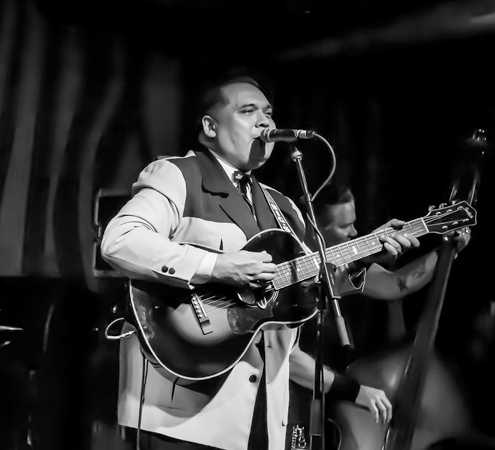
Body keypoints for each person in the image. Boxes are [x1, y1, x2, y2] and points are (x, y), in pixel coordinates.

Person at [100, 75, 417, 450]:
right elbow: (120, 240)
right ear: (210, 127)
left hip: (264, 413)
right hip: (185, 409)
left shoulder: (283, 207)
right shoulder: (180, 175)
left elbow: (308, 284)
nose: (264, 122)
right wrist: (218, 267)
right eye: (248, 111)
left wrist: (366, 258)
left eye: (268, 113)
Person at [286, 181, 472, 446]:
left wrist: (446, 251)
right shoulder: (282, 268)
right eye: (344, 226)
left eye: (354, 222)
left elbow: (397, 284)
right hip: (282, 393)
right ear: (314, 229)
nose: (354, 232)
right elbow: (286, 356)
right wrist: (354, 390)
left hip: (320, 398)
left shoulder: (345, 267)